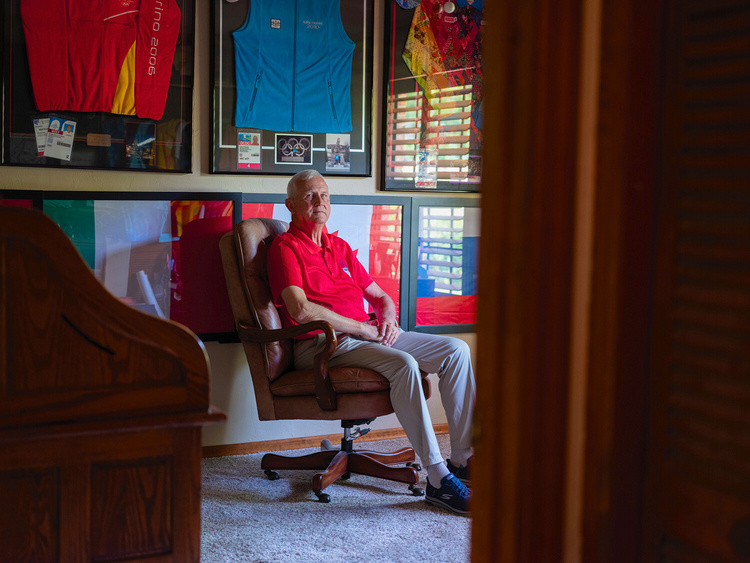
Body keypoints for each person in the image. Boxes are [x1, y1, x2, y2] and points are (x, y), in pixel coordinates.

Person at [267, 169, 475, 514]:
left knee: (456, 350)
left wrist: (388, 319)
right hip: (323, 345)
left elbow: (380, 297)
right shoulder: (284, 248)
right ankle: (438, 479)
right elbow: (300, 309)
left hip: (367, 335)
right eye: (309, 196)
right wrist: (363, 329)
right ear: (290, 205)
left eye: (325, 195)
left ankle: (464, 460)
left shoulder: (340, 246)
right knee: (404, 364)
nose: (320, 202)